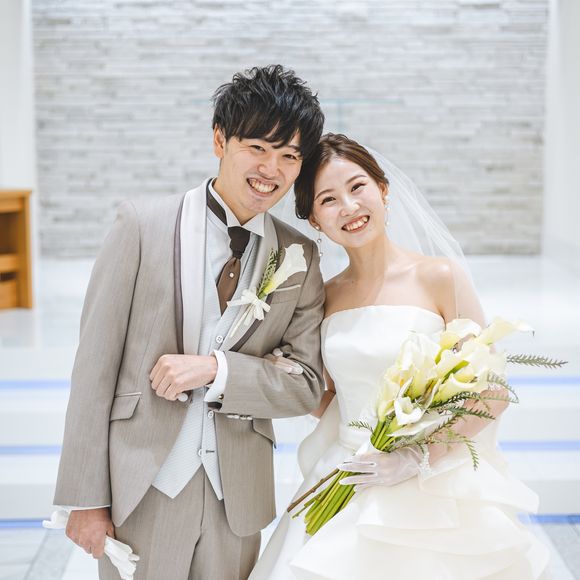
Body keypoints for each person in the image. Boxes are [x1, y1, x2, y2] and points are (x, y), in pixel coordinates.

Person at [53, 64, 326, 580]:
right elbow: (93, 368)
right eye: (258, 147)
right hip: (144, 485)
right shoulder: (141, 226)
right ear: (220, 139)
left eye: (289, 156)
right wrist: (84, 499)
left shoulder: (299, 255)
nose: (271, 169)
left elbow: (307, 383)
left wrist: (218, 371)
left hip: (237, 497)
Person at [250, 134, 549, 579]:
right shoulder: (324, 297)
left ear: (383, 189)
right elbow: (331, 399)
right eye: (328, 200)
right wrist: (285, 375)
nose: (349, 207)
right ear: (314, 219)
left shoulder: (438, 277)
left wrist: (414, 457)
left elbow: (493, 392)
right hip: (349, 469)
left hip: (431, 478)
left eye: (358, 187)